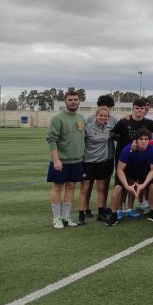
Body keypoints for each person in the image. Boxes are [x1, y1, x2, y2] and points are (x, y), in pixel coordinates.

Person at [46, 91, 85, 229]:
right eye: (70, 99)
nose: (73, 102)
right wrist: (56, 160)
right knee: (57, 187)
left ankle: (66, 216)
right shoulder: (58, 119)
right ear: (65, 101)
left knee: (71, 187)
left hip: (77, 161)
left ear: (79, 101)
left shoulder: (81, 118)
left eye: (75, 99)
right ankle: (56, 218)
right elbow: (51, 140)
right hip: (61, 161)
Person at [107, 129, 153, 226]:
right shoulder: (127, 149)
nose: (143, 141)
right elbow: (120, 170)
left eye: (146, 139)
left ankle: (152, 211)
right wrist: (126, 186)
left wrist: (144, 184)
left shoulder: (152, 150)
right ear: (136, 140)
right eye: (141, 139)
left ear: (149, 140)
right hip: (127, 170)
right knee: (118, 188)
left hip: (143, 170)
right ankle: (113, 214)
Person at [80, 105, 115, 224]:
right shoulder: (87, 127)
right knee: (84, 189)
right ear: (96, 115)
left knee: (101, 188)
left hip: (102, 162)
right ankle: (82, 214)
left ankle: (101, 213)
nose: (103, 118)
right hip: (88, 162)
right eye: (101, 115)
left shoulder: (109, 126)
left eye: (106, 116)